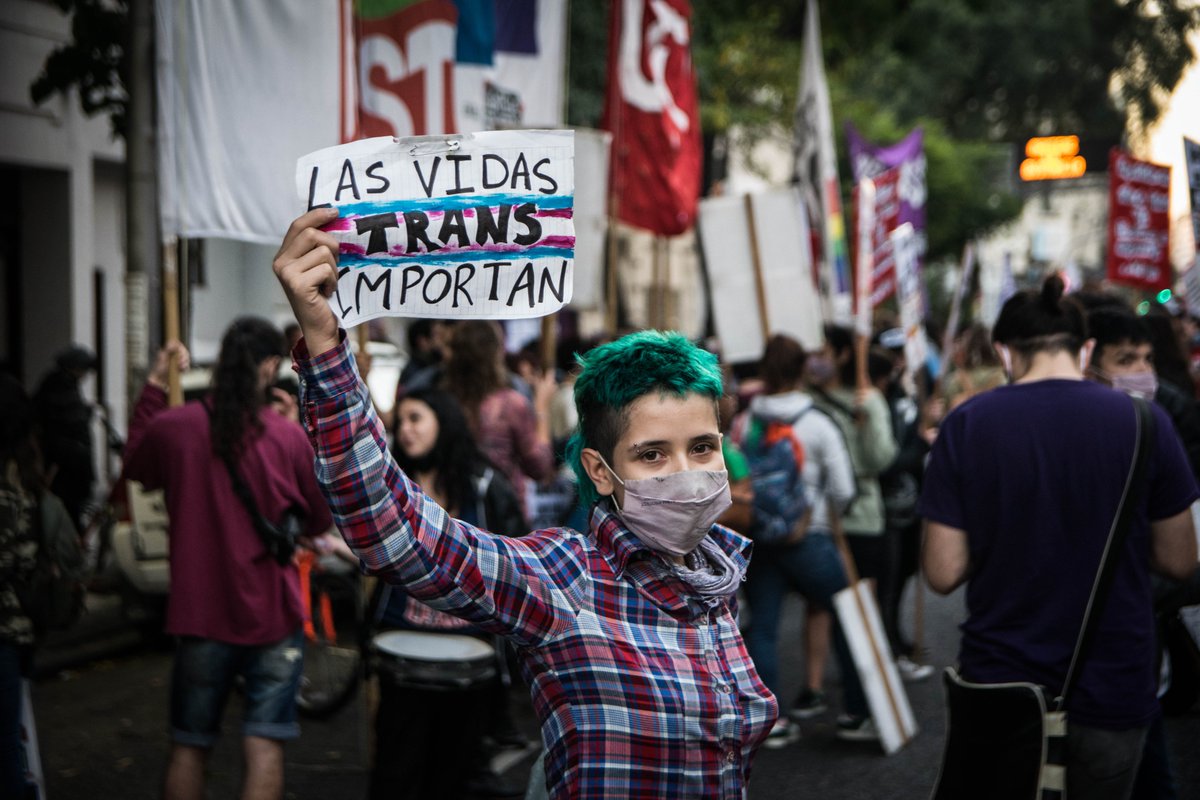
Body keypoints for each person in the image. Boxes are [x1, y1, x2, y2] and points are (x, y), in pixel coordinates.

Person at [273, 206, 776, 800]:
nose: (686, 473)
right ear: (601, 471)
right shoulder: (566, 581)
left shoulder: (717, 582)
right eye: (652, 454)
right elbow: (392, 528)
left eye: (701, 447)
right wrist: (324, 344)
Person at [920, 276, 1199, 800]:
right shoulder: (1146, 422)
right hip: (1115, 677)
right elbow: (1181, 560)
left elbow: (942, 571)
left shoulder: (967, 425)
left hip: (1002, 679)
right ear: (1086, 348)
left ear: (1005, 352)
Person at [122, 320, 333, 800]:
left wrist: (154, 384)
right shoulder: (286, 438)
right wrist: (294, 429)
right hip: (274, 615)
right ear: (269, 366)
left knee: (189, 746)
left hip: (199, 617)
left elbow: (134, 464)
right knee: (264, 744)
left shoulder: (176, 428)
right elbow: (319, 520)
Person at [372, 387, 526, 799]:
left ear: (444, 421)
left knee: (454, 776)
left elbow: (517, 558)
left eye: (416, 418)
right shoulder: (391, 485)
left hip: (471, 656)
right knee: (396, 773)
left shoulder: (484, 487)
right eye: (400, 421)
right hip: (401, 649)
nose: (406, 430)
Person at [731, 334, 873, 744]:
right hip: (811, 539)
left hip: (760, 538)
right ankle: (856, 712)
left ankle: (771, 721)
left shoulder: (746, 422)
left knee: (763, 627)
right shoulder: (818, 422)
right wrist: (825, 515)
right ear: (802, 370)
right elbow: (844, 488)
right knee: (845, 616)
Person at [0, 376, 44, 798]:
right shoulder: (21, 477)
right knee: (9, 745)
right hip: (12, 632)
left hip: (6, 634)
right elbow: (24, 561)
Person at [33, 345, 98, 531]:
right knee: (69, 513)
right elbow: (68, 424)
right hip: (66, 468)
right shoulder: (60, 388)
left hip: (67, 465)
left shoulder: (60, 385)